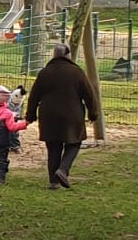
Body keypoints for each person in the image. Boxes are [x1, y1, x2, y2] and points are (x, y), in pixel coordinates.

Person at [24, 42, 101, 188]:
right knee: (74, 142)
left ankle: (53, 182)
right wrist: (93, 114)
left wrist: (30, 116)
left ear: (54, 55)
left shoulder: (45, 72)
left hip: (48, 116)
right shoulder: (76, 72)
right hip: (72, 115)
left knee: (53, 146)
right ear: (68, 55)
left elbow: (34, 96)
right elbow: (89, 95)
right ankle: (63, 169)